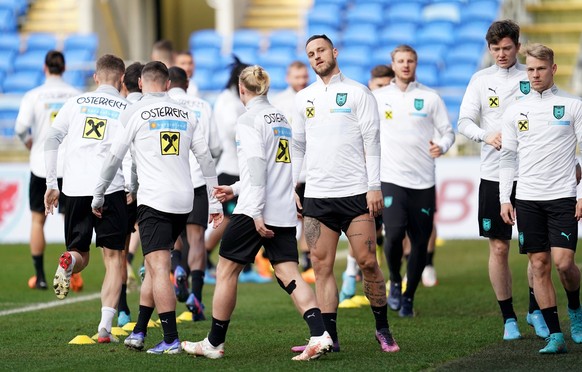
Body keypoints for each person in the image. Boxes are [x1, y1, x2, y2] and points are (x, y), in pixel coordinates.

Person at [181, 65, 332, 361]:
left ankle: (213, 343)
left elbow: (256, 167)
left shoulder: (248, 119)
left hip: (256, 210)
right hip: (282, 208)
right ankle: (319, 333)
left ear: (242, 89)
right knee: (289, 271)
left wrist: (256, 212)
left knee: (226, 271)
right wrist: (235, 189)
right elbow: (270, 169)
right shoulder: (280, 119)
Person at [91, 61, 223, 354]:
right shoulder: (187, 113)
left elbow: (115, 158)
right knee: (154, 266)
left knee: (158, 266)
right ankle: (139, 330)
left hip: (154, 201)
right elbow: (206, 158)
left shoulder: (134, 111)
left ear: (140, 85)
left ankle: (171, 339)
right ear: (166, 84)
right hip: (185, 199)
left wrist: (99, 194)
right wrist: (214, 201)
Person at [290, 34, 399, 353]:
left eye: (321, 50)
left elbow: (373, 141)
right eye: (311, 53)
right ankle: (329, 337)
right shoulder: (304, 98)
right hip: (318, 196)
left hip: (355, 194)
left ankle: (383, 329)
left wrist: (374, 185)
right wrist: (293, 185)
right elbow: (297, 145)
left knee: (367, 261)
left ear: (334, 52)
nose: (316, 57)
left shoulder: (358, 92)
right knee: (320, 267)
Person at [457, 20, 548, 340]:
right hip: (494, 175)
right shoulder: (480, 80)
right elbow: (464, 121)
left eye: (507, 48)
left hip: (534, 173)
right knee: (498, 247)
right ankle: (508, 318)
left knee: (537, 250)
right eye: (495, 49)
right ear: (489, 49)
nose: (501, 54)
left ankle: (535, 311)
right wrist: (486, 135)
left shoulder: (532, 75)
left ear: (518, 47)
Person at [499, 43, 582, 354]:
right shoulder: (515, 110)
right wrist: (505, 198)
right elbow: (507, 158)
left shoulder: (573, 106)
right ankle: (556, 335)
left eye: (540, 69)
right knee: (539, 264)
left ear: (553, 69)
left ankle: (575, 308)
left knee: (564, 264)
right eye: (530, 69)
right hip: (528, 199)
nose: (534, 74)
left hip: (562, 196)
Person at [44, 54, 129, 343]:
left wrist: (52, 184)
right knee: (114, 259)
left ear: (96, 77)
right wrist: (131, 186)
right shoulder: (126, 107)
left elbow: (51, 139)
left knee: (81, 253)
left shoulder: (75, 103)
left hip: (75, 188)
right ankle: (105, 328)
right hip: (111, 190)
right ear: (122, 79)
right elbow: (127, 153)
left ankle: (68, 260)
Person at [374, 45, 455, 318]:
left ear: (416, 64)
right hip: (391, 178)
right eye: (400, 61)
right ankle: (395, 280)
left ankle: (409, 296)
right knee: (394, 234)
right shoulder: (378, 97)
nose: (405, 65)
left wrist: (441, 146)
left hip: (423, 182)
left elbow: (447, 132)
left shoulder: (430, 97)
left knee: (420, 242)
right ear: (393, 64)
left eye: (410, 61)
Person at [14, 50, 82, 291]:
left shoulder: (34, 95)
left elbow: (21, 127)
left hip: (41, 165)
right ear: (64, 68)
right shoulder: (75, 95)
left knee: (37, 221)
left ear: (45, 68)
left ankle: (41, 276)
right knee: (70, 221)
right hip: (68, 166)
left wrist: (30, 142)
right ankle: (73, 274)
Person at [205, 57, 270, 284]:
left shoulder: (237, 101)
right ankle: (204, 256)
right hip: (231, 168)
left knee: (240, 217)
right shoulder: (226, 101)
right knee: (231, 218)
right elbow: (231, 130)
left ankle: (247, 263)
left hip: (242, 169)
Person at [168, 66, 222, 320]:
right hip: (198, 181)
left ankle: (178, 267)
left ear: (167, 84)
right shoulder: (203, 105)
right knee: (197, 240)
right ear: (187, 83)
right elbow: (215, 147)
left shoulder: (162, 106)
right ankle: (197, 300)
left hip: (170, 181)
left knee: (173, 236)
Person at [339, 63, 396, 305]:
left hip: (393, 176)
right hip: (363, 179)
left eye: (386, 84)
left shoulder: (395, 105)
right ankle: (351, 274)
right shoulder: (361, 103)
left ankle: (385, 278)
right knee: (363, 229)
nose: (382, 89)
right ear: (371, 84)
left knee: (387, 231)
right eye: (378, 85)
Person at [270, 60, 314, 283]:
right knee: (286, 216)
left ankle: (307, 260)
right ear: (288, 78)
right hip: (287, 169)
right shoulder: (278, 103)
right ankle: (277, 259)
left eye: (304, 76)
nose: (301, 81)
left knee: (309, 217)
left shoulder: (315, 97)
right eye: (297, 77)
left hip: (310, 168)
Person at [117, 61, 144, 327]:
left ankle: (123, 309)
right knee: (157, 247)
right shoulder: (150, 110)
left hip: (123, 188)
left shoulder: (121, 111)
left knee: (120, 255)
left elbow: (119, 152)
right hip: (149, 188)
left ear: (124, 83)